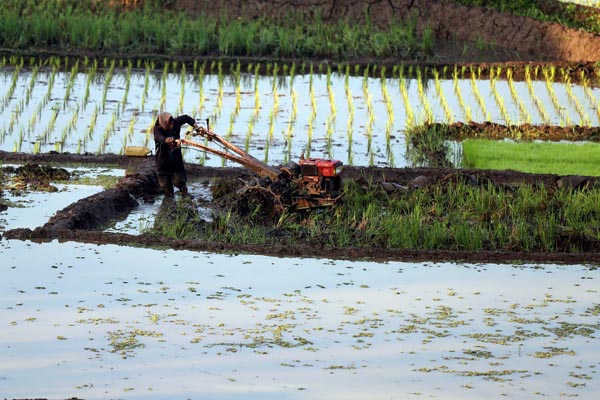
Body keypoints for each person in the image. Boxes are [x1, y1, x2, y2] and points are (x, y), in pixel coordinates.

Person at [153, 111, 198, 197]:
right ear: (164, 124)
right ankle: (169, 202)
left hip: (176, 158)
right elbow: (159, 137)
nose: (171, 126)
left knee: (180, 181)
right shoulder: (158, 129)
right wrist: (167, 140)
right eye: (169, 125)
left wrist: (196, 126)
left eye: (172, 124)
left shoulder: (175, 122)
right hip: (163, 161)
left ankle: (184, 194)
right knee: (166, 187)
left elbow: (186, 118)